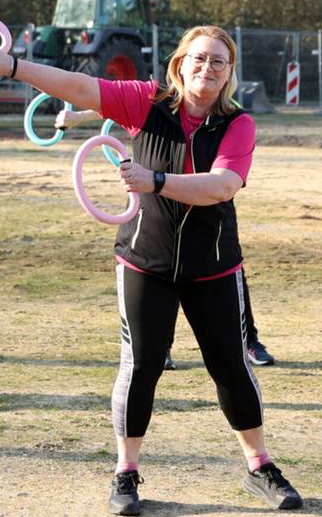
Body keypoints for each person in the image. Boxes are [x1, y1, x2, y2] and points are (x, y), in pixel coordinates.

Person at [0, 25, 301, 515]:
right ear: (179, 64)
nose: (207, 68)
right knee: (142, 364)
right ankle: (125, 472)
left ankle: (261, 466)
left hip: (212, 265)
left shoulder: (238, 123)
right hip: (146, 260)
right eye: (198, 58)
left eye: (219, 62)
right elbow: (80, 87)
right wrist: (12, 67)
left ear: (229, 73)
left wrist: (154, 179)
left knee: (230, 364)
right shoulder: (146, 102)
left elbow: (222, 186)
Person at [54, 109, 277, 369]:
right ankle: (162, 347)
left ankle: (248, 340)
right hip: (156, 219)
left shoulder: (225, 109)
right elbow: (110, 101)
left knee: (229, 277)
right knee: (161, 275)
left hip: (210, 215)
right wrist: (75, 117)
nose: (206, 69)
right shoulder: (154, 101)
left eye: (218, 64)